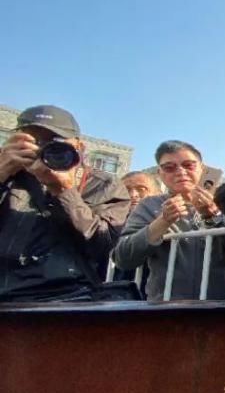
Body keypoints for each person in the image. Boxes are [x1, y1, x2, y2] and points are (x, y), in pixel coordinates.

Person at [0, 105, 131, 302]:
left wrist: (64, 191)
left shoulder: (102, 184)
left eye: (55, 142)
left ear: (78, 147)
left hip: (67, 295)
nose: (44, 148)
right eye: (34, 141)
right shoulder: (9, 172)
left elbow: (102, 245)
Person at [113, 140, 225, 301]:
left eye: (189, 165)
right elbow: (123, 258)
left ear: (203, 168)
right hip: (165, 307)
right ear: (160, 173)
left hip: (220, 307)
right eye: (169, 168)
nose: (180, 171)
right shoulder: (149, 205)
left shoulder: (224, 200)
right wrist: (162, 222)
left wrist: (213, 215)